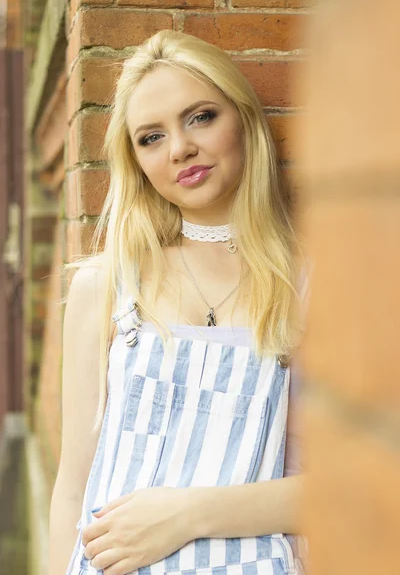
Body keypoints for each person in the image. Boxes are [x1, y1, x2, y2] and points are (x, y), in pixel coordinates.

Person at [49, 29, 308, 575]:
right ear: (136, 161)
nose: (180, 149)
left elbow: (347, 488)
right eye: (150, 137)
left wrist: (187, 514)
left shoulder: (306, 287)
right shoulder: (105, 286)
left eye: (201, 117)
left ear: (244, 119)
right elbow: (73, 486)